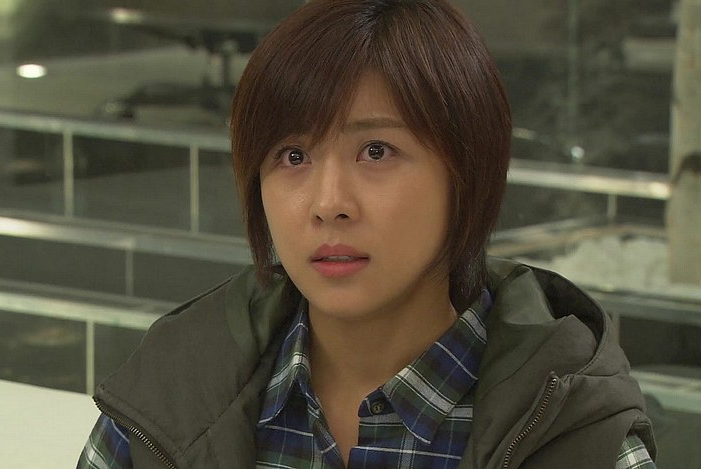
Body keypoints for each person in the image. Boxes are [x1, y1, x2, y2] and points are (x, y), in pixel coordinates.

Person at [77, 0, 657, 467]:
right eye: (294, 155)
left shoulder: (575, 437)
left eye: (376, 151)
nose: (329, 204)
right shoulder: (169, 398)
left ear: (467, 174)